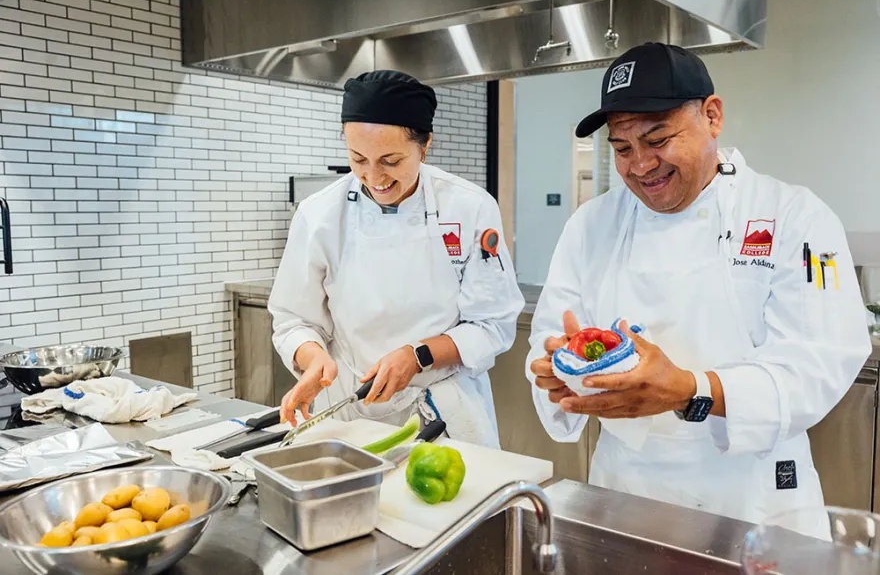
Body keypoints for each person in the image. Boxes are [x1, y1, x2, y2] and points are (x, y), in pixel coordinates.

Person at [526, 43, 870, 532]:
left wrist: (690, 390)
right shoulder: (591, 224)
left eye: (658, 139)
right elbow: (549, 335)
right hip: (625, 487)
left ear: (713, 116)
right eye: (622, 149)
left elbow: (822, 361)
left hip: (750, 497)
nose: (640, 165)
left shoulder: (793, 215)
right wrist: (555, 373)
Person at [269, 70, 524, 448]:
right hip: (346, 411)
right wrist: (313, 358)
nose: (374, 177)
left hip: (443, 414)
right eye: (358, 159)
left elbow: (492, 325)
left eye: (390, 160)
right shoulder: (319, 214)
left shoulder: (469, 207)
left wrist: (417, 355)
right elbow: (293, 320)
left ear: (425, 145)